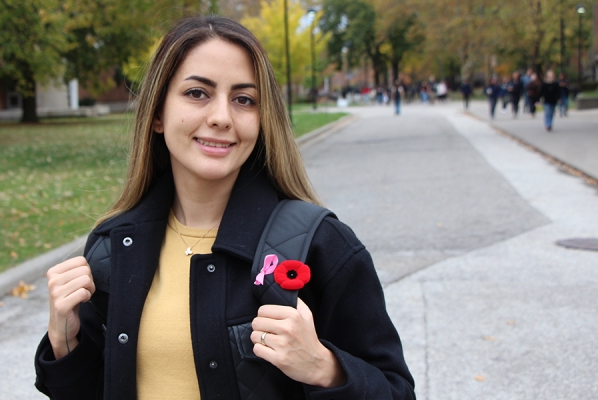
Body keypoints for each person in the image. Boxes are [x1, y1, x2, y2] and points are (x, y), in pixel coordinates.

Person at [33, 16, 415, 400]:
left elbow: (396, 390)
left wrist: (323, 368)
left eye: (244, 99)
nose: (221, 117)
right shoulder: (111, 249)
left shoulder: (321, 246)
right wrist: (64, 343)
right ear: (158, 114)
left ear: (263, 120)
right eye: (197, 93)